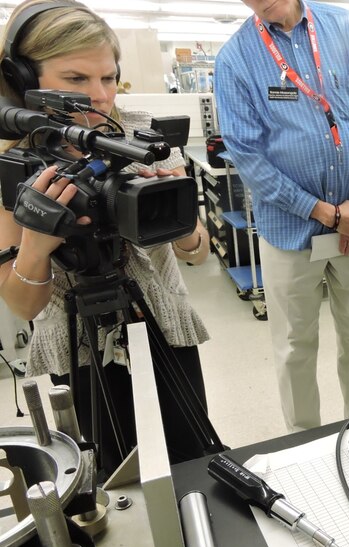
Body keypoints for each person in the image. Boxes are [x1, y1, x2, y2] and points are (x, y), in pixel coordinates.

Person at [0, 0, 213, 474]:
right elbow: (23, 306)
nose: (98, 95)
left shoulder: (143, 135)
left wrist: (179, 224)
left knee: (192, 462)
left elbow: (197, 255)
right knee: (112, 482)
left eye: (109, 77)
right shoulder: (15, 165)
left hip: (163, 329)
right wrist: (36, 244)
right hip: (77, 348)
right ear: (22, 79)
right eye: (76, 80)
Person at [215, 0, 349, 431]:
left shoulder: (345, 26)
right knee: (295, 343)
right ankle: (303, 440)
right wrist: (328, 215)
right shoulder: (236, 59)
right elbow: (248, 157)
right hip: (290, 229)